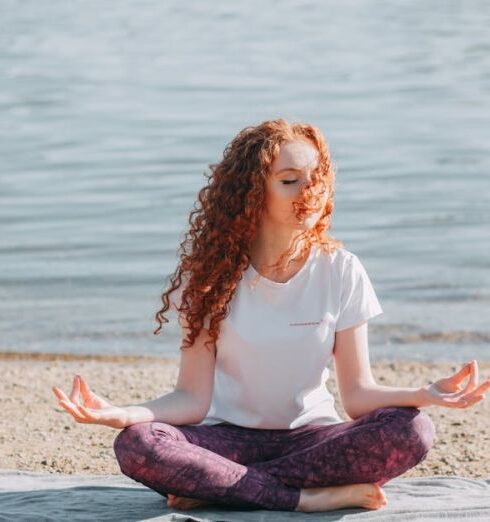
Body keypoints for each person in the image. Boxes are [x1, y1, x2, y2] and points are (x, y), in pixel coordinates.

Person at [52, 118, 489, 514]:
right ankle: (300, 498)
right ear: (251, 193)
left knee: (413, 429)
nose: (309, 190)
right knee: (139, 444)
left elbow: (357, 396)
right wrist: (125, 412)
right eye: (290, 180)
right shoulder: (209, 275)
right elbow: (190, 399)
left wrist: (424, 393)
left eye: (316, 178)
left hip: (311, 440)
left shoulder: (341, 268)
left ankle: (219, 488)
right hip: (227, 440)